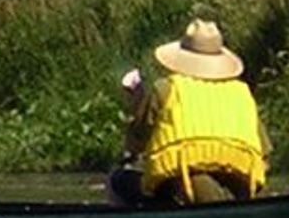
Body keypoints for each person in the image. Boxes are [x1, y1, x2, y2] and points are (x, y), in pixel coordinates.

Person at [112, 17, 269, 205]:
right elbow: (264, 152)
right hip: (239, 193)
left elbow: (136, 141)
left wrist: (137, 104)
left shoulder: (165, 89)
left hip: (184, 190)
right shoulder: (242, 93)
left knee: (118, 180)